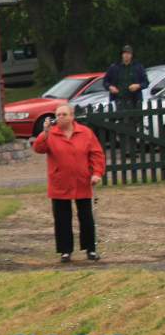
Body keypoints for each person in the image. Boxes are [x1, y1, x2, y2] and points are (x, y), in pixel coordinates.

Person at [33, 101, 105, 262]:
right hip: (60, 181)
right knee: (62, 217)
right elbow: (38, 149)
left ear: (72, 116)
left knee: (86, 216)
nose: (60, 117)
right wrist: (44, 132)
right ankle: (65, 251)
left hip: (82, 180)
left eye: (64, 114)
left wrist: (97, 173)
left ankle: (90, 249)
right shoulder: (50, 133)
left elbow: (96, 154)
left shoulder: (85, 133)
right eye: (57, 115)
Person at [104, 45, 148, 155]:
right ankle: (126, 150)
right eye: (124, 53)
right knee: (124, 124)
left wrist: (138, 86)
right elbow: (105, 82)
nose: (126, 55)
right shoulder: (114, 67)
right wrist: (110, 87)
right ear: (121, 55)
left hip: (134, 100)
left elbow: (146, 82)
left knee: (134, 125)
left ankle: (133, 149)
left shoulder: (138, 67)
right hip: (120, 99)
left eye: (128, 53)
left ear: (132, 55)